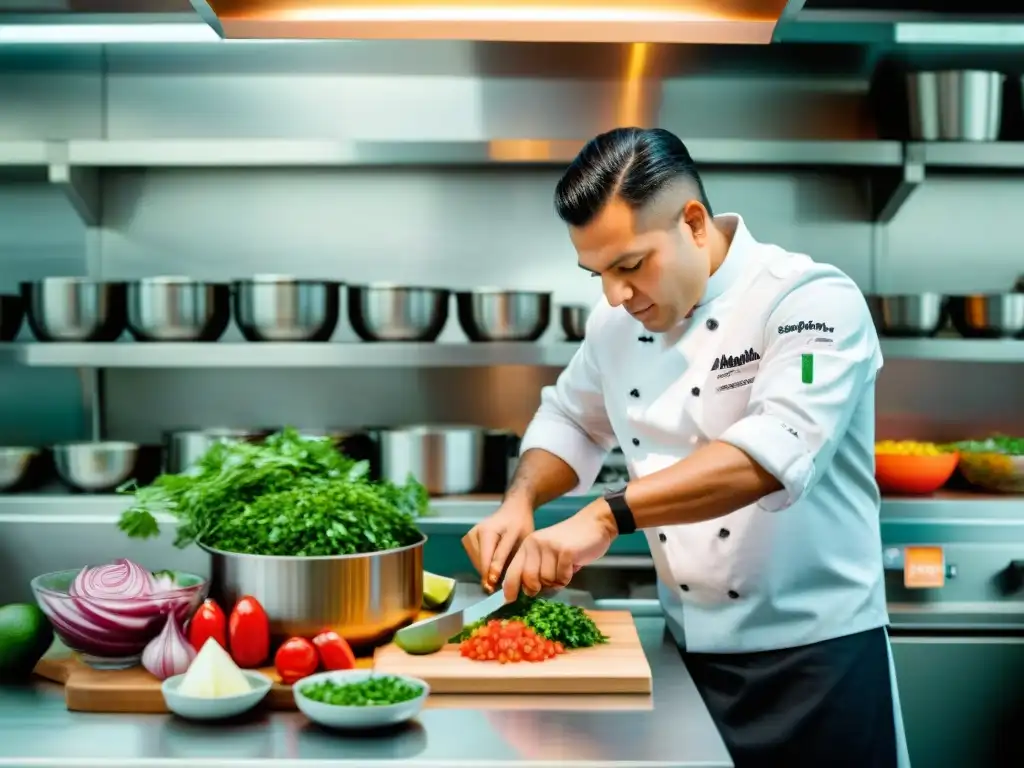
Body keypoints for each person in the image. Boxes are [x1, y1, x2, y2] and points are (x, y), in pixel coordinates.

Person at [462, 127, 910, 768]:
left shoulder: (812, 302)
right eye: (597, 273)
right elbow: (570, 418)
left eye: (629, 265)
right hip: (688, 657)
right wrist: (520, 500)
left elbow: (771, 451)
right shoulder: (616, 325)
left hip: (820, 665)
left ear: (694, 223)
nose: (614, 294)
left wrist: (604, 515)